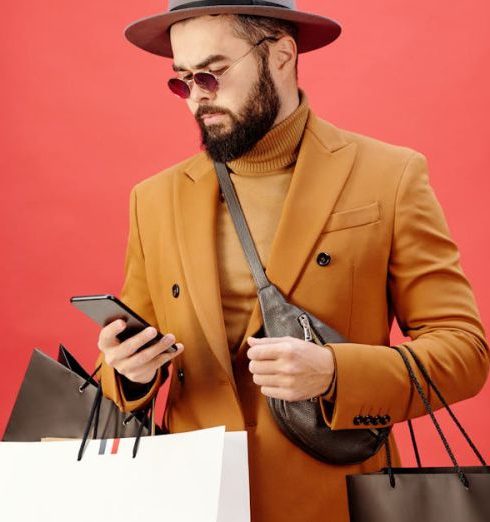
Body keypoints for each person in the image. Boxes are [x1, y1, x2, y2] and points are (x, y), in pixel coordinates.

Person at [95, 2, 489, 521]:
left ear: (280, 55)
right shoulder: (154, 198)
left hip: (334, 498)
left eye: (212, 74)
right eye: (182, 81)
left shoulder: (388, 176)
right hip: (195, 498)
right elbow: (132, 352)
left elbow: (465, 352)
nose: (197, 99)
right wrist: (128, 372)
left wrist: (333, 373)